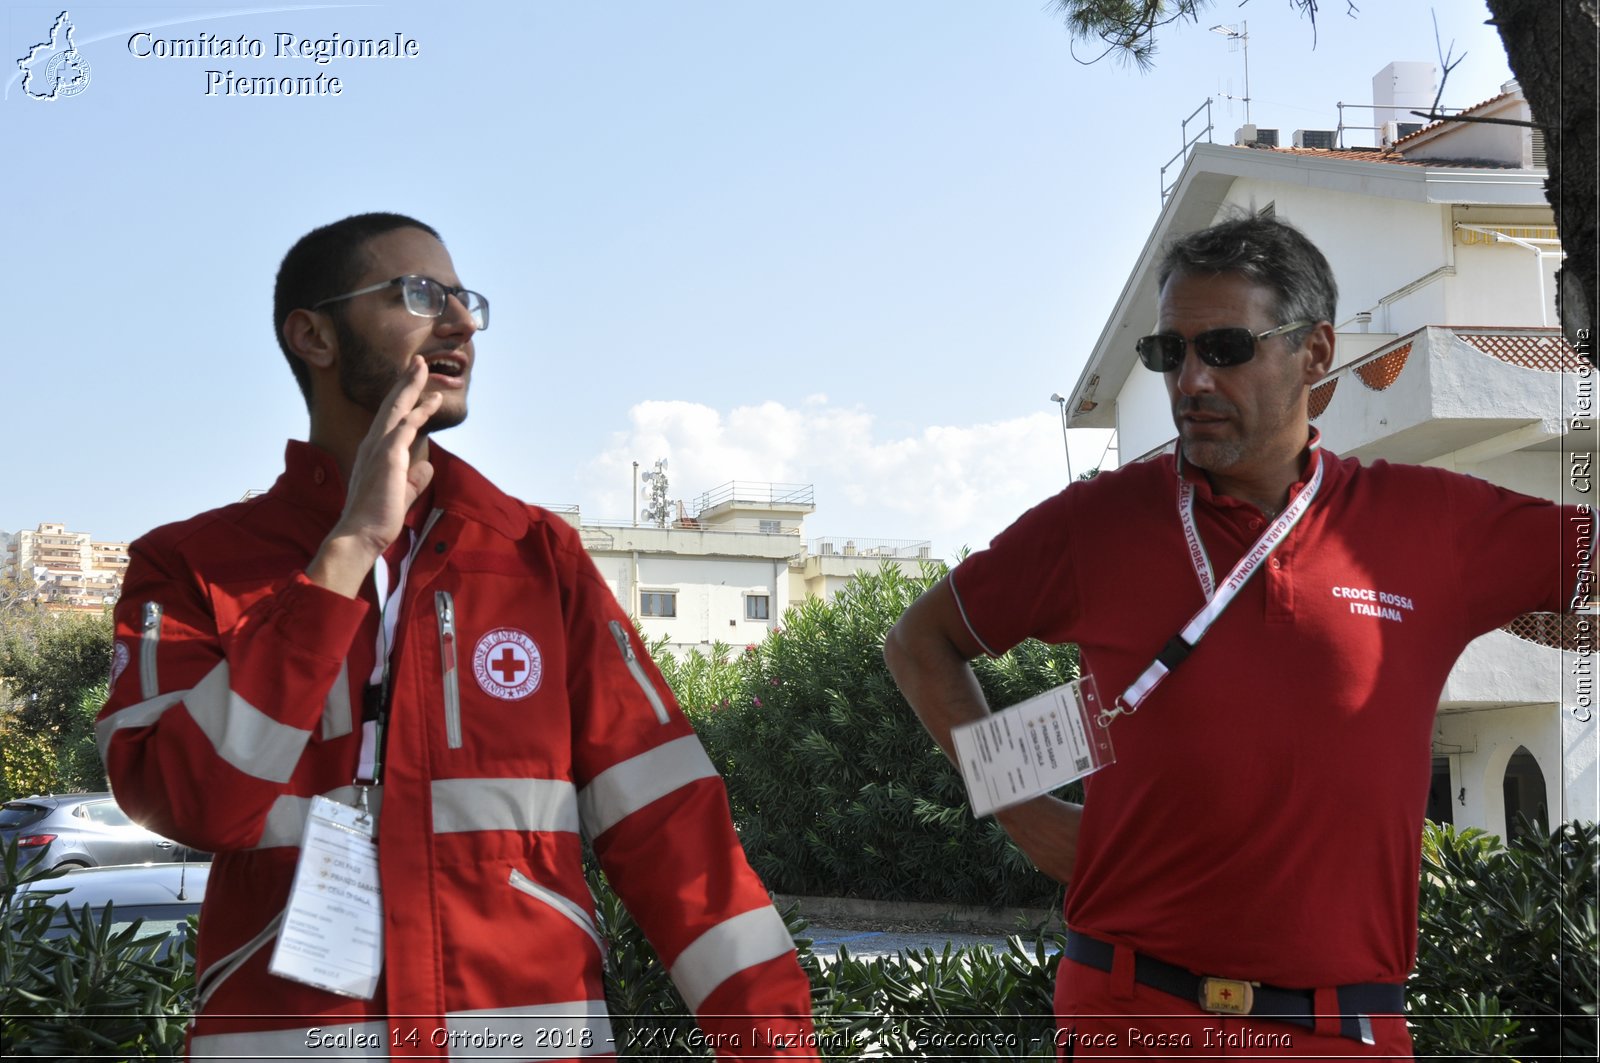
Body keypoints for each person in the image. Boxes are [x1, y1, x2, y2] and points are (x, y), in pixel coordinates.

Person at [97, 212, 818, 1060]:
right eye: (418, 294)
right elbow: (189, 802)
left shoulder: (538, 558)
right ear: (314, 335)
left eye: (465, 299)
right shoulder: (191, 565)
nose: (461, 322)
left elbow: (674, 830)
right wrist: (346, 553)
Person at [883, 214, 1590, 1059]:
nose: (1190, 380)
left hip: (1343, 1025)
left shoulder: (1429, 521)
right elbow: (920, 643)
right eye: (1167, 353)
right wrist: (1024, 813)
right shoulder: (1098, 522)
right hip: (1132, 1010)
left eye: (1223, 348)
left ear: (1315, 351)